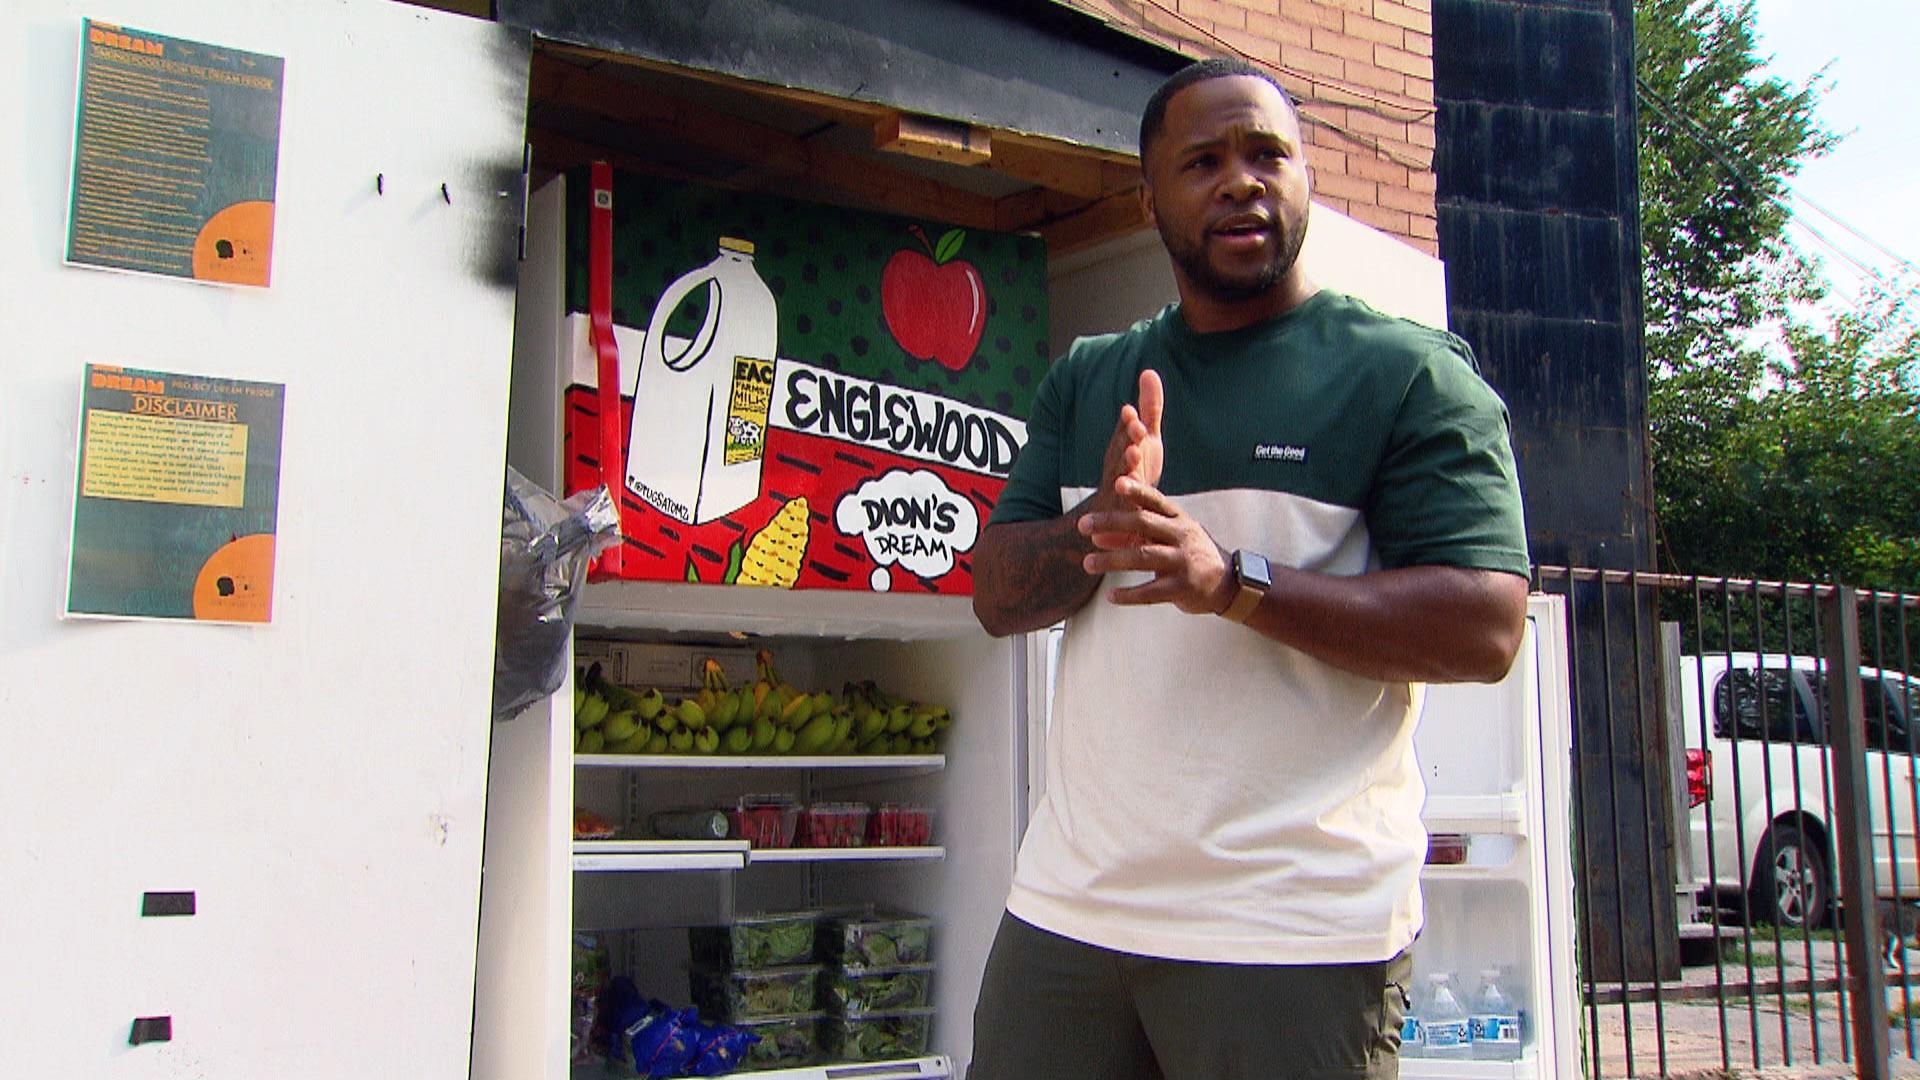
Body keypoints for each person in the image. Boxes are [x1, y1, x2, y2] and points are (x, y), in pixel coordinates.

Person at [966, 58, 1532, 1080]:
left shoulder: (1408, 374)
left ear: (1305, 174)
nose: (1240, 180)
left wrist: (1231, 581)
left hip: (1291, 927)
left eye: (1267, 154)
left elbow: (1485, 627)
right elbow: (996, 596)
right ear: (1152, 200)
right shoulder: (1091, 377)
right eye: (1205, 161)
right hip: (1069, 910)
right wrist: (1095, 524)